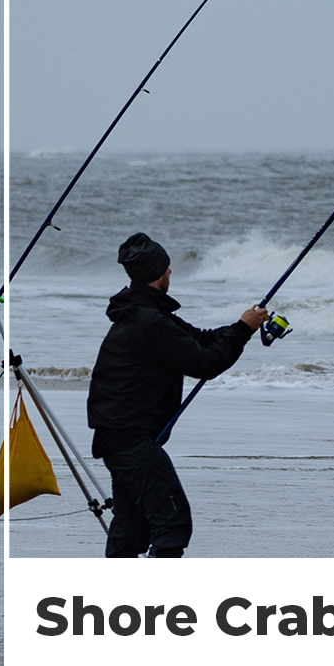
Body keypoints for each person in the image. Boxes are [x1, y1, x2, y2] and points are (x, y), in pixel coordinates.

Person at [87, 232, 269, 557]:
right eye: (168, 268)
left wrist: (244, 325)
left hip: (119, 439)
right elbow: (205, 363)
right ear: (159, 274)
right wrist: (242, 330)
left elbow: (199, 338)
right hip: (132, 442)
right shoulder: (149, 323)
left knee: (131, 526)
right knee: (172, 523)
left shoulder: (143, 314)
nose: (171, 273)